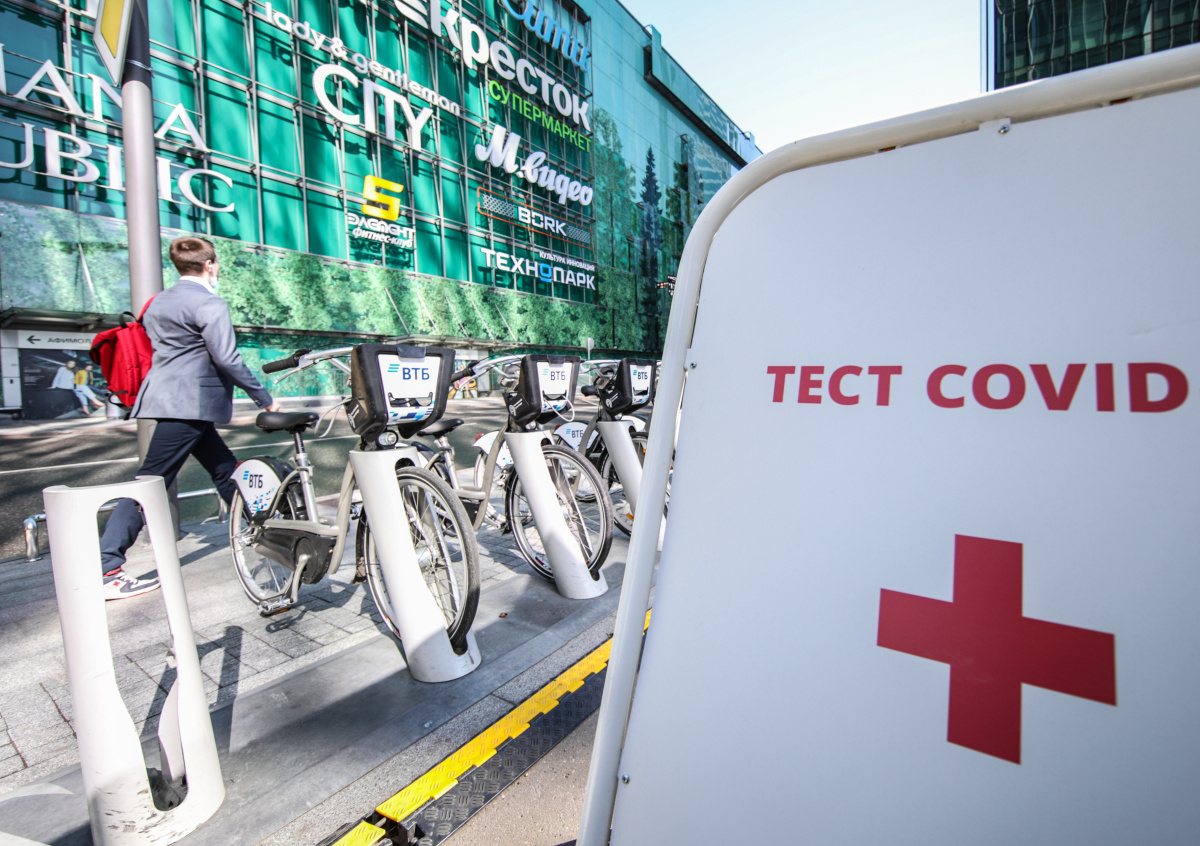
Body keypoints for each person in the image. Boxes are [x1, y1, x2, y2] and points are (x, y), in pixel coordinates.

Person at [98, 236, 280, 599]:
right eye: (216, 264)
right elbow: (226, 358)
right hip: (190, 403)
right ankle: (106, 566)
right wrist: (263, 397)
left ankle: (263, 529)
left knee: (224, 468)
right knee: (149, 481)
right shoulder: (209, 303)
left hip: (167, 398)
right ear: (210, 264)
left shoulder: (158, 302)